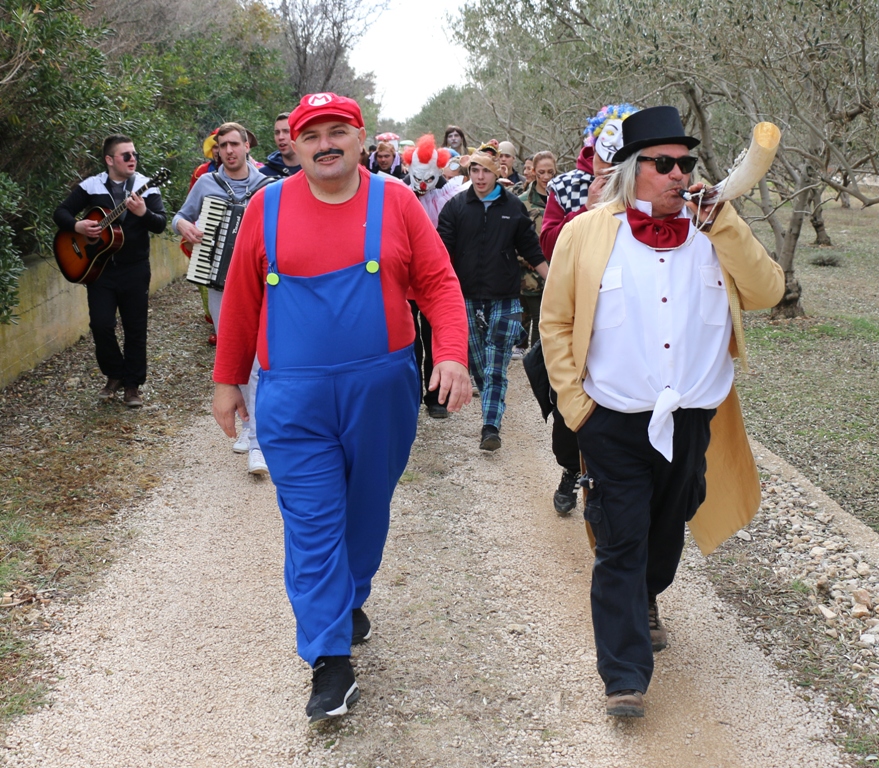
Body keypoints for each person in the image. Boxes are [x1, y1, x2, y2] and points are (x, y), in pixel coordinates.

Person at [211, 93, 470, 723]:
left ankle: (348, 596)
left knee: (365, 508)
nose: (326, 143)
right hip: (292, 397)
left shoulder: (398, 201)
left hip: (380, 391)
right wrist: (226, 383)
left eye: (338, 132)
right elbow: (243, 302)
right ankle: (329, 659)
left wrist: (452, 354)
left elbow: (438, 283)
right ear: (293, 147)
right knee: (311, 520)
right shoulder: (265, 208)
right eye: (312, 135)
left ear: (359, 139)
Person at [540, 105, 785, 718]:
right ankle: (624, 674)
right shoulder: (585, 234)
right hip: (612, 419)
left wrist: (726, 225)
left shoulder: (715, 230)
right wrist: (578, 408)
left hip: (694, 418)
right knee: (621, 535)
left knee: (669, 523)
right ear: (630, 170)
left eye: (687, 164)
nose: (680, 175)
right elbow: (558, 323)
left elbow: (768, 292)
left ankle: (647, 593)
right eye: (665, 164)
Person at [537, 104, 639, 515]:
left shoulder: (645, 185)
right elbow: (546, 245)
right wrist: (586, 211)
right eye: (602, 152)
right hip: (577, 317)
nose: (608, 163)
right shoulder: (565, 187)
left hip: (627, 320)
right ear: (591, 146)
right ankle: (568, 469)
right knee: (570, 406)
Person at [173, 122, 276, 475]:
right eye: (222, 146)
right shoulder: (207, 184)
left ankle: (260, 442)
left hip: (262, 286)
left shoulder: (268, 186)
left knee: (261, 361)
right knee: (237, 359)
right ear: (216, 150)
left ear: (248, 146)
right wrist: (182, 226)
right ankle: (250, 428)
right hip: (219, 284)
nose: (229, 150)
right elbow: (179, 217)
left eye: (234, 144)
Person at [438, 149, 547, 451]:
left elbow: (531, 249)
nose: (480, 177)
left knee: (496, 364)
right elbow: (441, 254)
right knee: (478, 364)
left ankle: (490, 427)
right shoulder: (456, 207)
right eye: (474, 171)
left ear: (497, 172)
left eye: (485, 171)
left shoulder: (513, 207)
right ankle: (492, 402)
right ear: (469, 172)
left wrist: (553, 281)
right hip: (466, 297)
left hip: (505, 298)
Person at [53, 134, 167, 407]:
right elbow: (61, 212)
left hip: (135, 269)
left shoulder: (145, 186)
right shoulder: (91, 185)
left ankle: (132, 386)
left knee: (135, 328)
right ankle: (114, 373)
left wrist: (143, 213)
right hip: (99, 269)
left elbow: (161, 223)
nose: (132, 159)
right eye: (126, 155)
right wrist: (77, 226)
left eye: (134, 154)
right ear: (109, 160)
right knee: (101, 325)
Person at [401, 134, 468, 419]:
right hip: (404, 279)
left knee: (433, 335)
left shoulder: (447, 196)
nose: (423, 183)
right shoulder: (398, 193)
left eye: (429, 177)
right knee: (408, 336)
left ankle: (436, 396)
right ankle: (412, 392)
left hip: (434, 275)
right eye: (418, 177)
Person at [512, 150, 557, 360]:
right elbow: (513, 238)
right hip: (530, 274)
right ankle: (537, 359)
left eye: (550, 172)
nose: (546, 177)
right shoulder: (521, 202)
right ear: (533, 172)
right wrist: (527, 259)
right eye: (541, 172)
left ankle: (544, 359)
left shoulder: (562, 198)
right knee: (536, 316)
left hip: (559, 269)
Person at [260, 111, 302, 177]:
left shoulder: (312, 170)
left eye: (286, 131)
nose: (280, 137)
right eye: (277, 133)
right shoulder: (263, 175)